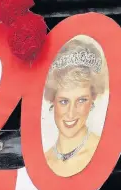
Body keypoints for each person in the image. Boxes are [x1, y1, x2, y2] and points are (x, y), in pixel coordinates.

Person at [43, 39, 107, 177]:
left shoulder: (104, 151)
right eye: (64, 101)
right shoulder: (43, 160)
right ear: (53, 100)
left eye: (82, 100)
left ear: (92, 99)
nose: (71, 113)